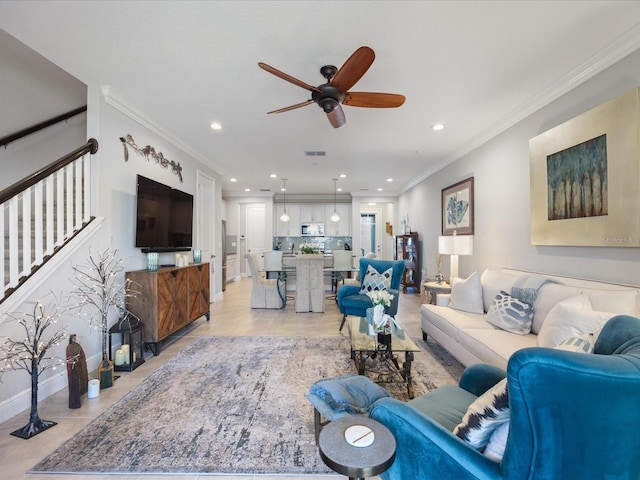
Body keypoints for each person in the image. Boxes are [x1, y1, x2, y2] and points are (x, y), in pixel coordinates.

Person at [66, 334, 88, 408]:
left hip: (79, 364)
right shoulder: (69, 348)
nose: (74, 340)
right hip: (73, 366)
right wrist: (73, 359)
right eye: (73, 339)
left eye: (75, 338)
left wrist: (80, 358)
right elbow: (69, 358)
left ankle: (83, 389)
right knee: (75, 381)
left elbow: (82, 354)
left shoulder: (78, 345)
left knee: (82, 376)